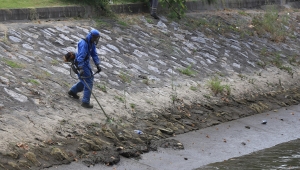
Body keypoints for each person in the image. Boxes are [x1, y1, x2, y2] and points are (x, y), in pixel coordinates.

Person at [67, 29, 101, 109]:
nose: (96, 39)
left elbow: (94, 54)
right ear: (91, 36)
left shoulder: (91, 43)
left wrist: (97, 64)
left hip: (86, 63)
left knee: (85, 80)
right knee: (89, 82)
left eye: (97, 38)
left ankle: (73, 91)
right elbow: (80, 57)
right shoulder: (84, 43)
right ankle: (85, 102)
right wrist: (81, 68)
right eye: (95, 37)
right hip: (80, 64)